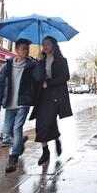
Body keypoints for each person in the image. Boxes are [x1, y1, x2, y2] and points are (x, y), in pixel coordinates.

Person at [0, 39, 36, 173]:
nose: (26, 51)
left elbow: (39, 79)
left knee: (17, 128)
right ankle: (20, 140)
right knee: (7, 130)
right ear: (16, 49)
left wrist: (39, 63)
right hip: (10, 102)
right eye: (23, 48)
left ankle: (14, 157)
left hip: (24, 102)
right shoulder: (8, 65)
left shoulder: (32, 65)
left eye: (27, 49)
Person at [30, 36, 73, 166]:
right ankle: (45, 151)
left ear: (53, 45)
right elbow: (37, 77)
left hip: (56, 95)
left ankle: (56, 138)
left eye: (48, 44)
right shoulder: (41, 60)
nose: (45, 47)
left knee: (48, 121)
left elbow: (66, 76)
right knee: (41, 123)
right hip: (42, 95)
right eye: (44, 44)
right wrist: (38, 62)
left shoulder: (61, 60)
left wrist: (49, 83)